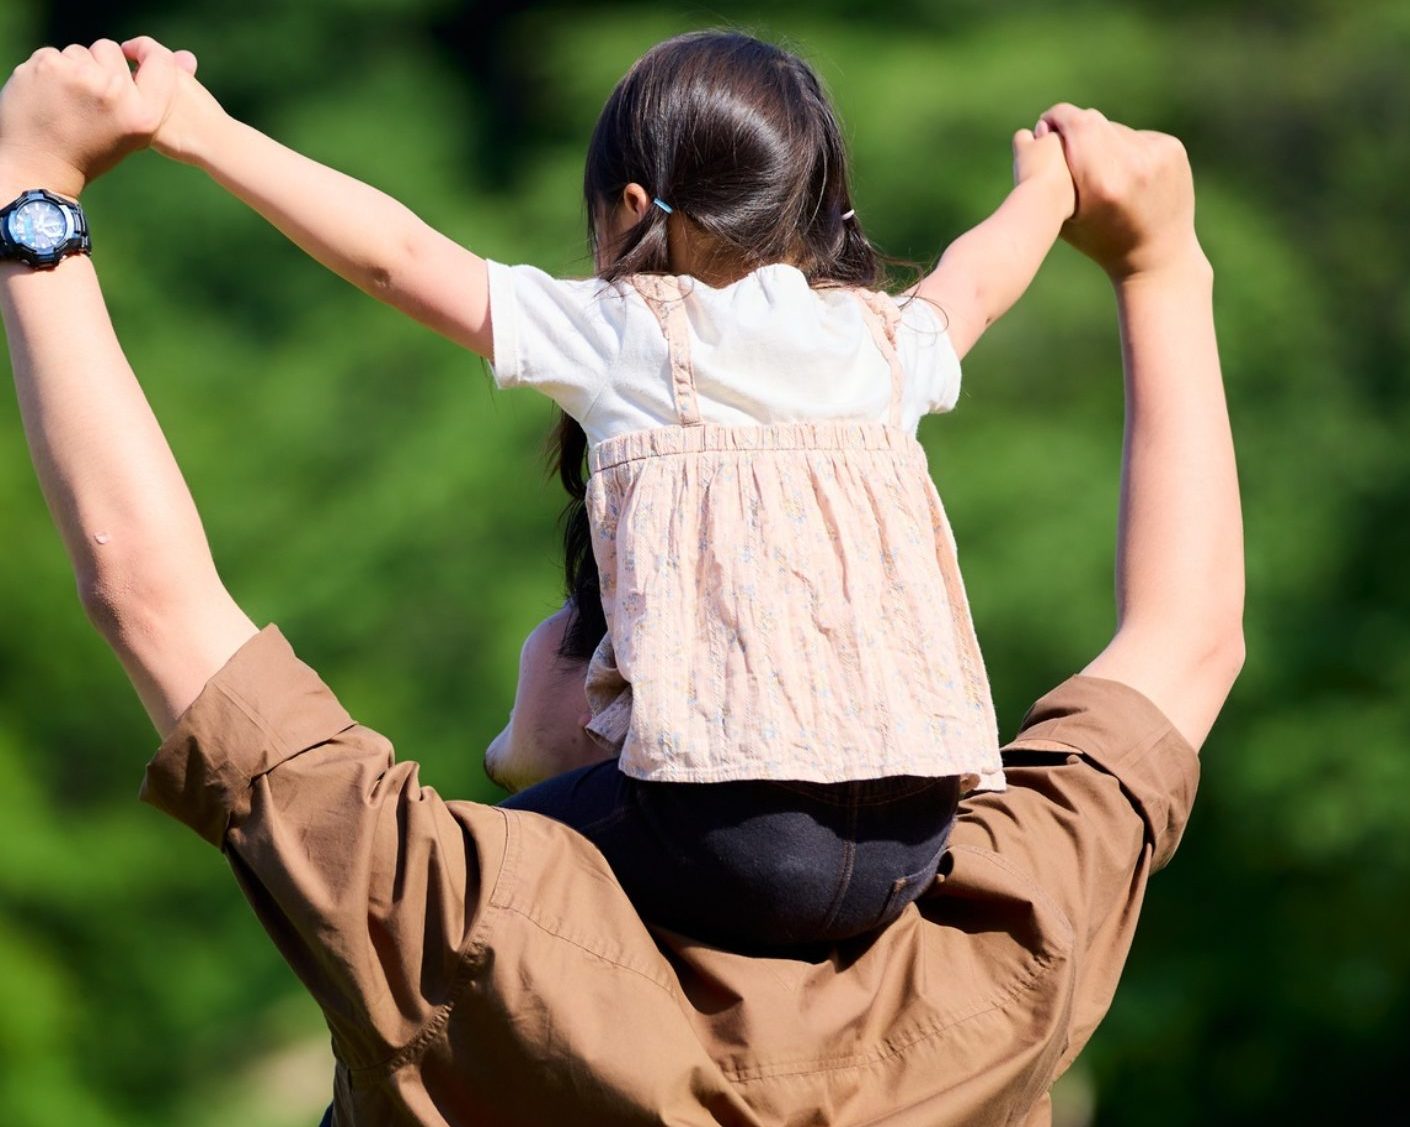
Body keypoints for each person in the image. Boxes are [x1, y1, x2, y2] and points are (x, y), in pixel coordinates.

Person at [0, 37, 1241, 1127]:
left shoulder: (455, 929)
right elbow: (1186, 638)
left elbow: (152, 586)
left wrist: (50, 181)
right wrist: (1151, 259)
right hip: (906, 851)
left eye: (580, 621)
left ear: (638, 681)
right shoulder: (1010, 934)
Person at [107, 29, 1082, 950]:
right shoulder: (883, 343)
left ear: (631, 206)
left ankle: (516, 752)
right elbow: (979, 277)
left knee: (449, 873)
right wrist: (1047, 187)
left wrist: (201, 129)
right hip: (911, 837)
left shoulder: (631, 330)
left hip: (734, 838)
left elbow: (397, 256)